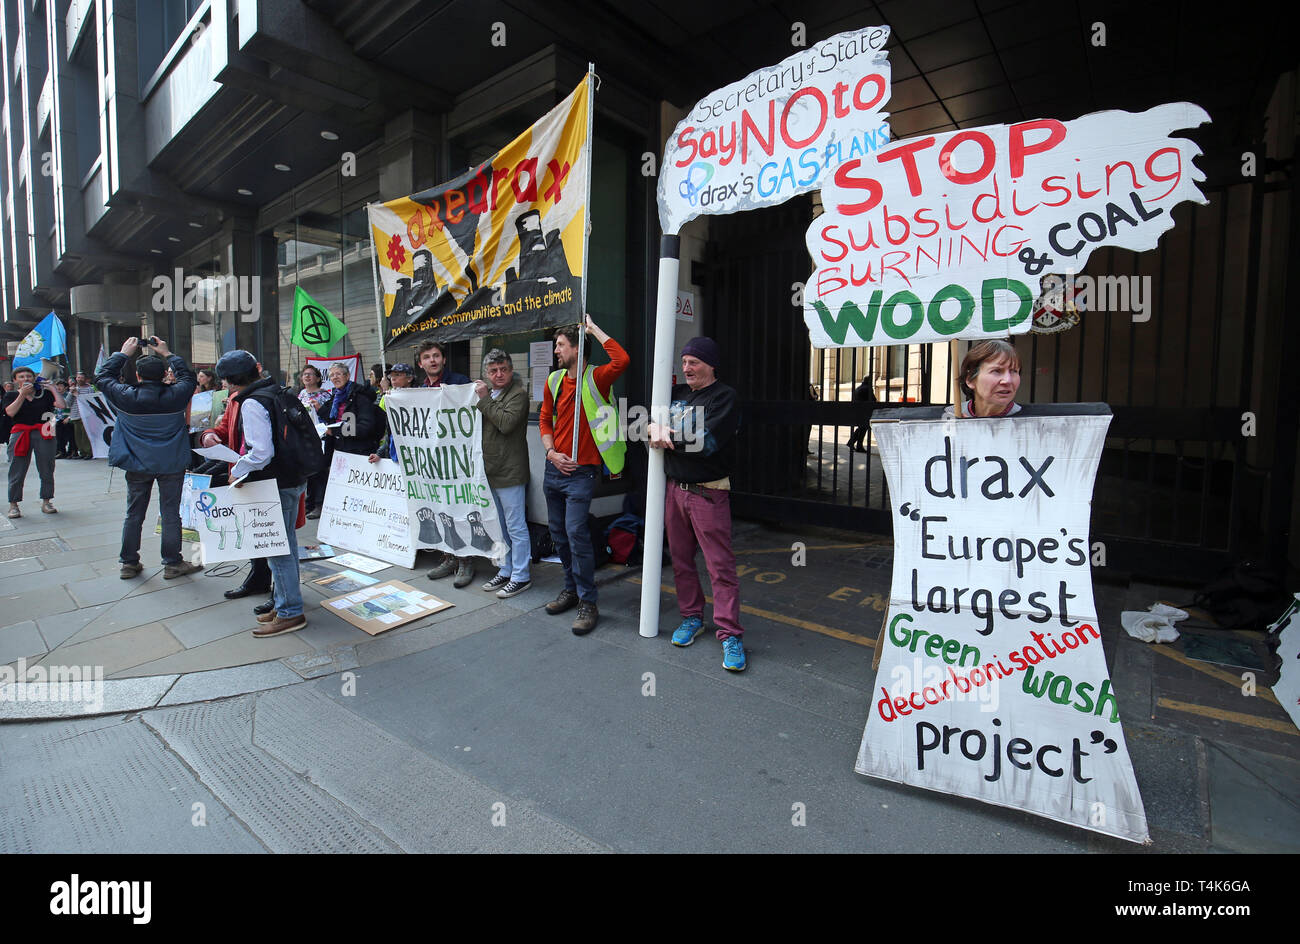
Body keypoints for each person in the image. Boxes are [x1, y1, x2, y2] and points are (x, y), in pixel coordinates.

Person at [648, 337, 747, 671]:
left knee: (720, 567)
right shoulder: (675, 395)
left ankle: (730, 633)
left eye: (694, 362)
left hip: (708, 492)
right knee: (681, 561)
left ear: (711, 364)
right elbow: (644, 426)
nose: (687, 368)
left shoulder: (725, 397)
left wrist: (668, 435)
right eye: (685, 361)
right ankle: (692, 617)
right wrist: (650, 425)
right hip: (675, 490)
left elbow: (707, 443)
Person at [539, 315, 628, 635]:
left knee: (576, 532)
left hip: (582, 472)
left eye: (561, 345)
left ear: (578, 348)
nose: (556, 351)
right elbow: (545, 419)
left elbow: (622, 358)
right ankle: (571, 588)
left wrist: (593, 330)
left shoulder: (597, 378)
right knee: (559, 534)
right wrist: (550, 452)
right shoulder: (554, 380)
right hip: (554, 468)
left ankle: (588, 602)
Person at [210, 350, 308, 637]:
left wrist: (238, 469)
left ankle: (290, 611)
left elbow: (261, 452)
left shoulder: (253, 402)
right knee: (283, 547)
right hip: (290, 479)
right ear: (258, 367)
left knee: (279, 550)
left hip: (274, 483)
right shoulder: (275, 391)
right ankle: (284, 603)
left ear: (228, 381)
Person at [96, 337, 203, 580]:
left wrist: (122, 354)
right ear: (165, 373)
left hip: (136, 463)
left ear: (137, 374)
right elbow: (188, 377)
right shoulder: (177, 394)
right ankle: (173, 562)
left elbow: (102, 378)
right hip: (171, 463)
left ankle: (129, 563)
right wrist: (167, 352)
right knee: (170, 513)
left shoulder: (126, 396)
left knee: (133, 513)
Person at [200, 380, 273, 604]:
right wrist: (209, 435)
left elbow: (264, 448)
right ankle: (258, 578)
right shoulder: (234, 399)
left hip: (264, 474)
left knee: (273, 535)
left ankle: (283, 593)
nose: (225, 383)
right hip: (241, 472)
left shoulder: (265, 398)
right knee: (251, 528)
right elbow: (225, 429)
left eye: (227, 379)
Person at [416, 340, 476, 587]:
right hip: (433, 460)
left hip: (457, 457)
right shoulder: (419, 389)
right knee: (441, 508)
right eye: (427, 357)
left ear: (443, 359)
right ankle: (449, 555)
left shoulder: (460, 382)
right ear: (421, 364)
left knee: (460, 508)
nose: (433, 360)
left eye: (436, 355)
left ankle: (466, 560)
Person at [474, 350, 531, 598]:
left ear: (510, 369)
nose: (499, 374)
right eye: (493, 371)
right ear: (486, 373)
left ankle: (521, 576)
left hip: (510, 472)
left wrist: (485, 399)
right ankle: (506, 569)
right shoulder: (485, 394)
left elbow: (506, 423)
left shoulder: (518, 394)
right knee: (500, 528)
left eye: (503, 369)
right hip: (491, 471)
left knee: (516, 527)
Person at [3, 366, 65, 517]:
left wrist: (52, 389)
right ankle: (13, 504)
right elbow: (10, 412)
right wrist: (22, 395)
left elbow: (62, 405)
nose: (26, 379)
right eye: (22, 377)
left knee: (47, 467)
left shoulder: (44, 394)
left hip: (45, 430)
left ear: (34, 378)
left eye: (29, 376)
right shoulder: (11, 395)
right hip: (21, 432)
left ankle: (47, 501)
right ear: (15, 380)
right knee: (17, 468)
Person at [317, 362, 384, 459]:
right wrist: (319, 409)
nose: (335, 377)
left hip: (359, 452)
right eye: (332, 375)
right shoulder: (335, 398)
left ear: (347, 376)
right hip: (339, 451)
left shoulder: (361, 397)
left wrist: (335, 431)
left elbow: (364, 428)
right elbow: (334, 419)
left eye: (338, 374)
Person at [948, 339, 1022, 418]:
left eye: (1014, 371)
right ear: (970, 379)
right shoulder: (947, 417)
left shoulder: (1032, 419)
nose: (1008, 380)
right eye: (996, 371)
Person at [297, 365, 332, 518]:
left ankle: (319, 503)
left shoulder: (324, 395)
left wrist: (318, 408)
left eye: (311, 374)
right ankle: (308, 504)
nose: (307, 377)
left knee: (319, 472)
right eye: (305, 374)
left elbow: (330, 415)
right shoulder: (301, 394)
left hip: (321, 437)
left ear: (318, 378)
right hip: (305, 437)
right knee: (308, 472)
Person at [847, 374, 878, 453]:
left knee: (861, 428)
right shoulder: (868, 389)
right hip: (865, 411)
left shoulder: (858, 388)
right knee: (863, 428)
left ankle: (851, 442)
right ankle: (858, 446)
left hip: (857, 411)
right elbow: (873, 400)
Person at [70, 371, 94, 458]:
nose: (79, 379)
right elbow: (68, 403)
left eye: (81, 377)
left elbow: (89, 401)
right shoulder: (74, 389)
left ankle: (88, 452)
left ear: (85, 379)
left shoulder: (90, 389)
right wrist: (71, 392)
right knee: (78, 436)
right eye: (78, 377)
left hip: (86, 415)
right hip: (75, 414)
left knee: (85, 435)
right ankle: (82, 452)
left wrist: (78, 395)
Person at [54, 380, 77, 458]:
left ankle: (72, 452)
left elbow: (73, 407)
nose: (58, 387)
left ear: (66, 387)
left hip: (68, 419)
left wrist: (69, 417)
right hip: (58, 419)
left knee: (71, 437)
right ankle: (61, 452)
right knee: (59, 437)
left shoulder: (69, 395)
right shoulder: (56, 396)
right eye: (57, 386)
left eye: (60, 386)